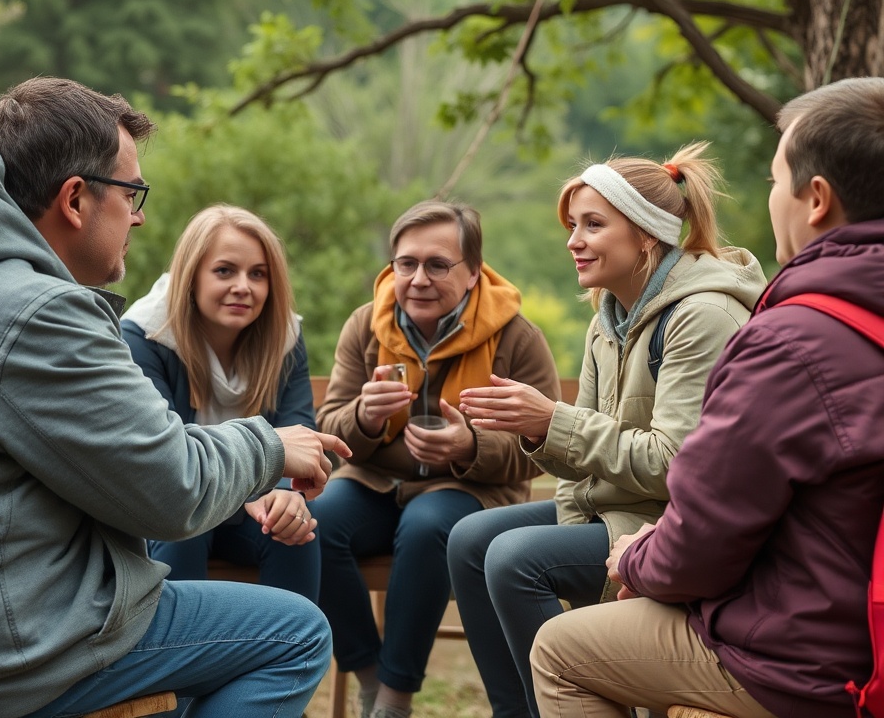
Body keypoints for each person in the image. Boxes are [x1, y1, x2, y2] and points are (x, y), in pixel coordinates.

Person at [0, 76, 351, 718]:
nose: (140, 215)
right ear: (74, 200)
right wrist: (271, 445)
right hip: (1, 656)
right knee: (296, 634)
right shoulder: (34, 312)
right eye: (131, 193)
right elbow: (171, 491)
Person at [529, 78, 884, 718]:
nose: (574, 240)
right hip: (852, 619)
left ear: (818, 200)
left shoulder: (788, 339)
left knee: (558, 649)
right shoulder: (607, 316)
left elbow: (705, 534)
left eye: (777, 182)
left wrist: (636, 558)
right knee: (491, 547)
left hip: (805, 654)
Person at [449, 142, 766, 718]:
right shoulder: (608, 316)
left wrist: (554, 419)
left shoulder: (703, 315)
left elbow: (677, 464)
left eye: (593, 225)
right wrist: (540, 430)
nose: (574, 241)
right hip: (618, 507)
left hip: (671, 524)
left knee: (516, 557)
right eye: (573, 225)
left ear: (647, 235)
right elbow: (586, 452)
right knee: (470, 540)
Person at [312, 200, 561, 718]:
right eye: (406, 263)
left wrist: (468, 446)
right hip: (377, 484)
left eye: (437, 264)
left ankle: (395, 702)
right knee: (321, 519)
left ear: (473, 273)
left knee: (428, 526)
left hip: (470, 493)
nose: (418, 278)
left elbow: (544, 450)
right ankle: (370, 679)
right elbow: (330, 429)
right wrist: (365, 418)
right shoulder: (367, 326)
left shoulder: (516, 337)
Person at [122, 204, 321, 601]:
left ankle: (290, 659)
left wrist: (286, 495)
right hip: (174, 504)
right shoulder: (145, 336)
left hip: (251, 505)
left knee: (295, 530)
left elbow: (300, 431)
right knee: (183, 533)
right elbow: (168, 463)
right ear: (190, 276)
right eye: (225, 271)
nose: (243, 286)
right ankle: (185, 661)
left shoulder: (284, 337)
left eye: (258, 274)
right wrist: (255, 487)